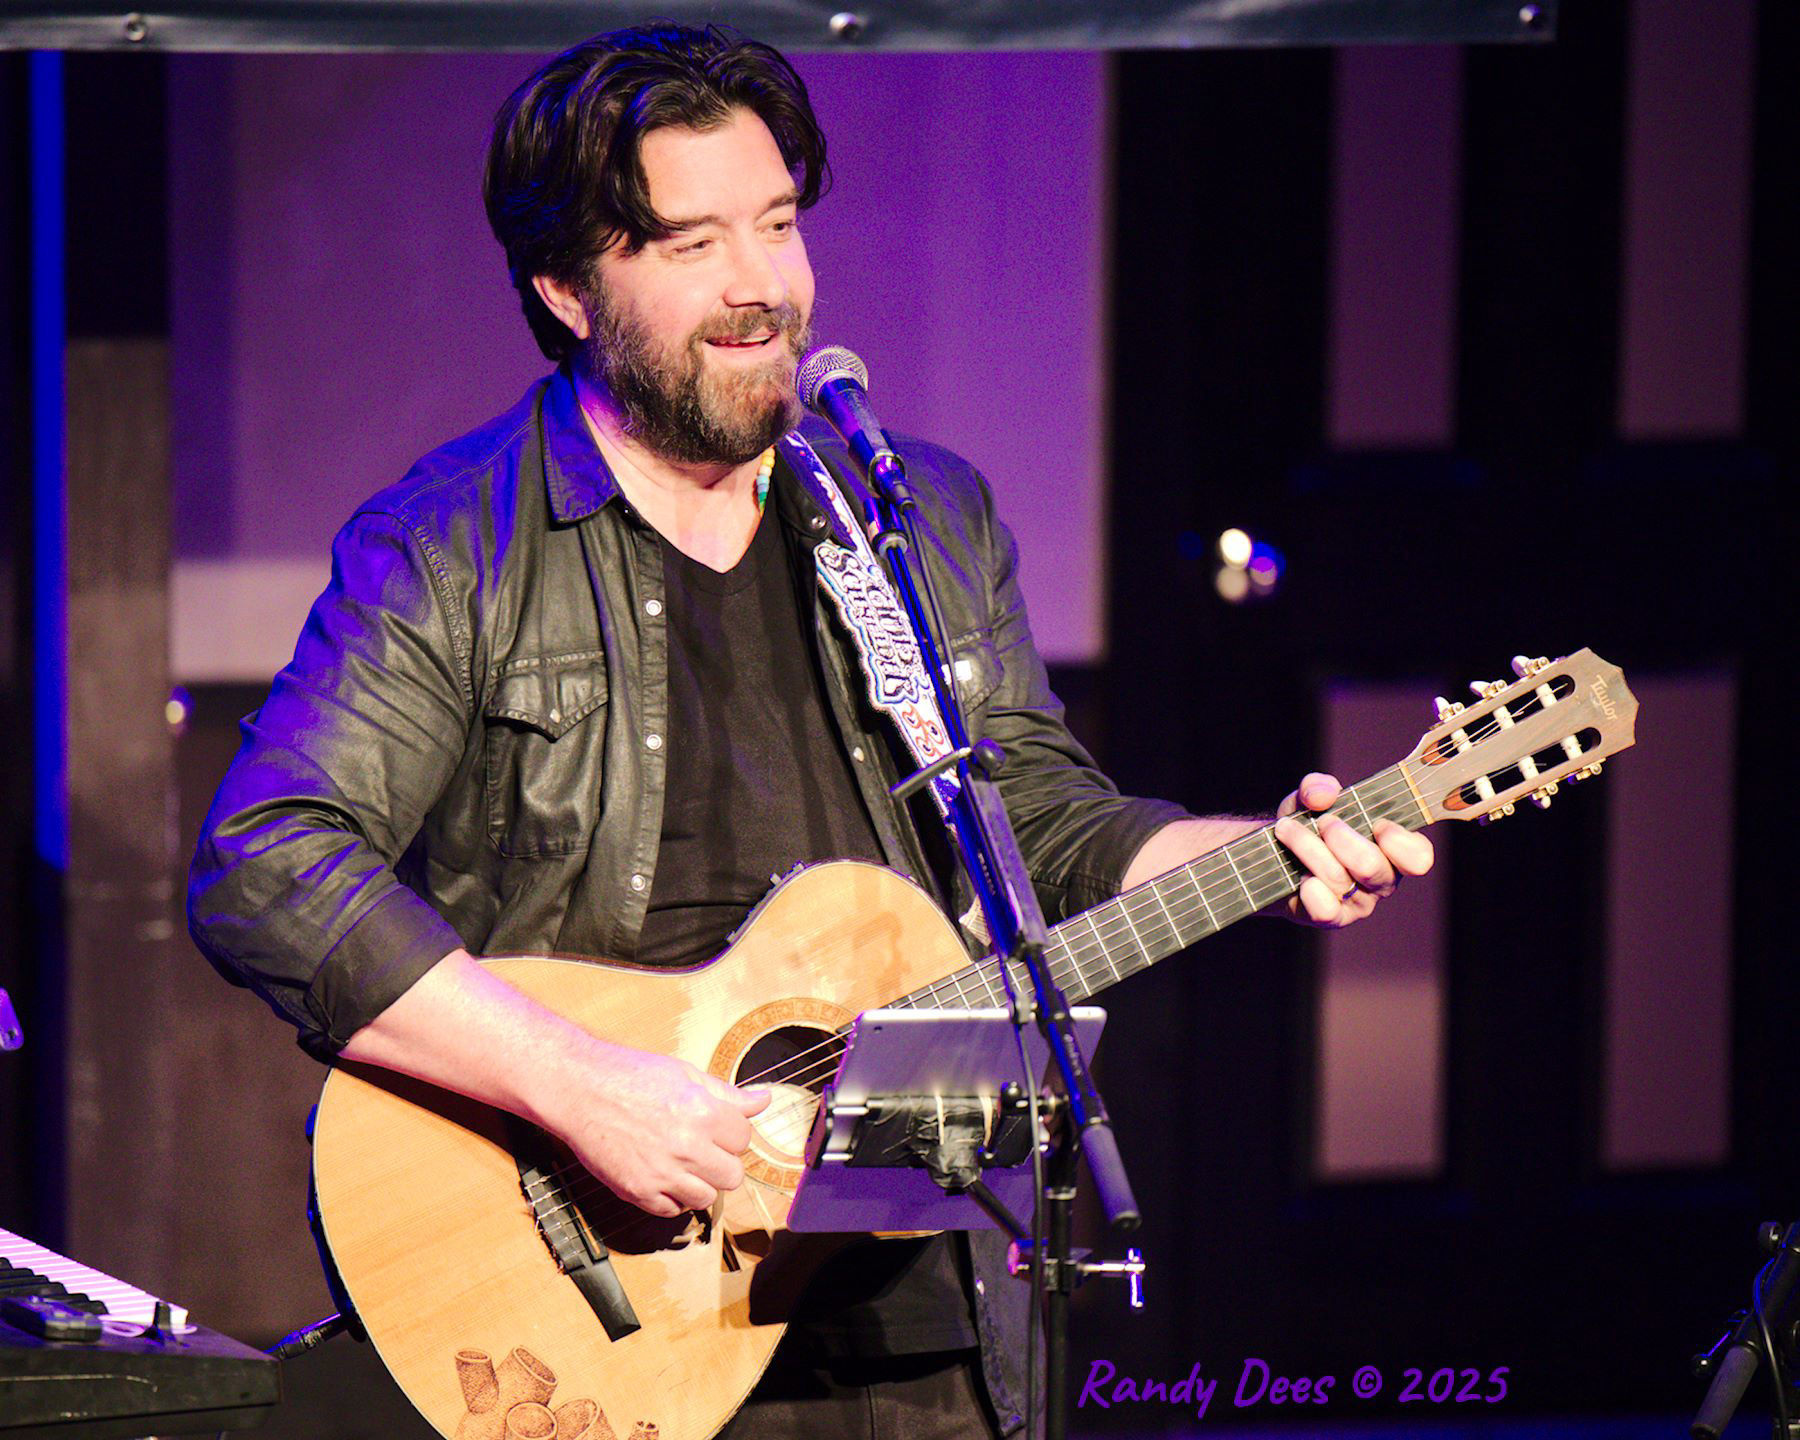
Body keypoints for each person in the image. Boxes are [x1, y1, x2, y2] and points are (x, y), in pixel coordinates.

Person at [187, 22, 1432, 1440]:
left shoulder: (911, 519)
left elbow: (1033, 816)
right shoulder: (453, 545)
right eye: (691, 243)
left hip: (924, 1305)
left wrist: (1257, 851)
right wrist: (585, 1087)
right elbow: (268, 863)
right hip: (605, 1300)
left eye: (778, 224)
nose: (760, 288)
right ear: (568, 289)